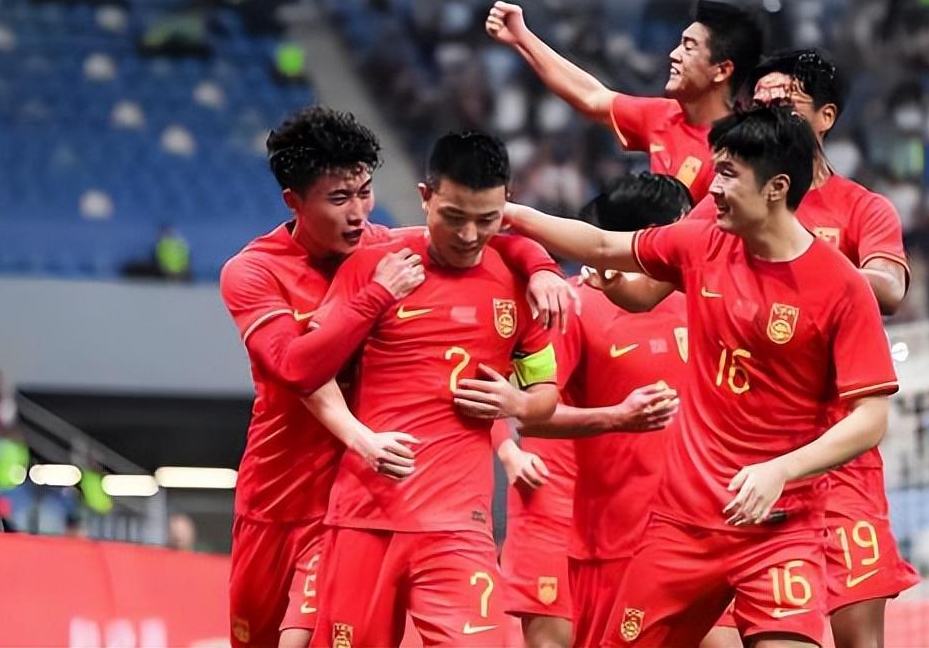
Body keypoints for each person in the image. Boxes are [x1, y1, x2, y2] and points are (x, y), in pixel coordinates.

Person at [502, 105, 899, 647]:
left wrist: (780, 470)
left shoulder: (842, 287)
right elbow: (601, 244)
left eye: (729, 175)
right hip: (684, 526)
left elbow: (871, 418)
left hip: (779, 527)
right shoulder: (703, 244)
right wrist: (508, 213)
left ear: (777, 187)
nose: (713, 189)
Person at [220, 107, 573, 648]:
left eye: (365, 192)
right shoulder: (254, 271)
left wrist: (542, 266)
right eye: (340, 198)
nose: (359, 213)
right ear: (294, 201)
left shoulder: (382, 245)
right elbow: (296, 369)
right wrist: (376, 296)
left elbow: (484, 234)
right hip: (277, 495)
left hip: (356, 501)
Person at [308, 132, 560, 648]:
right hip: (364, 517)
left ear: (507, 204)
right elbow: (310, 369)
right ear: (425, 197)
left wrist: (517, 403)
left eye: (487, 220)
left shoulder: (519, 281)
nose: (469, 235)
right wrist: (360, 438)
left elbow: (546, 395)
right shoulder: (376, 265)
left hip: (459, 526)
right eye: (454, 216)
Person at [741, 49, 918, 648]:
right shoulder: (732, 208)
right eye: (759, 104)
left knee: (859, 638)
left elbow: (888, 287)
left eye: (785, 102)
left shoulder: (862, 208)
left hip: (842, 452)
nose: (770, 112)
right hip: (752, 449)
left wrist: (800, 263)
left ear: (826, 117)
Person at [501, 172, 691, 648]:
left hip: (688, 528)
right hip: (583, 522)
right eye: (685, 228)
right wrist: (508, 450)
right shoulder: (568, 306)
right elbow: (523, 407)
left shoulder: (699, 302)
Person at [485, 0, 762, 202]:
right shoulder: (663, 115)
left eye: (689, 48)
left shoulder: (745, 149)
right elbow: (590, 96)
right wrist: (521, 37)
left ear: (722, 70)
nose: (673, 55)